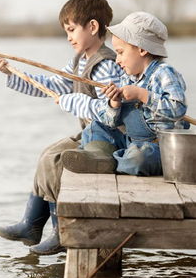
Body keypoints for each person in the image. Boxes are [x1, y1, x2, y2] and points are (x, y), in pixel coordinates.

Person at [0, 0, 122, 255]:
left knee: (56, 161)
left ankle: (61, 231)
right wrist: (10, 73)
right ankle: (31, 224)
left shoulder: (106, 64)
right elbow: (49, 85)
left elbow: (112, 110)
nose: (69, 37)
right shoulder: (78, 63)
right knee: (48, 153)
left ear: (92, 26)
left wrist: (73, 101)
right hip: (92, 134)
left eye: (72, 29)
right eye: (66, 31)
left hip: (112, 138)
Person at [61, 11, 189, 176]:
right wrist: (114, 104)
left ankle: (108, 159)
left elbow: (178, 108)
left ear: (142, 49)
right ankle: (104, 157)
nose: (117, 59)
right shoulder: (127, 77)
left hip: (157, 145)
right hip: (131, 141)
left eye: (120, 52)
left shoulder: (164, 73)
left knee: (139, 159)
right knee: (95, 127)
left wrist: (143, 95)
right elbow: (113, 121)